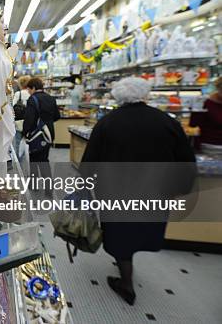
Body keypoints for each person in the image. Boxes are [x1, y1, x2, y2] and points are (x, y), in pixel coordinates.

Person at [80, 77, 195, 305]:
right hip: (156, 190)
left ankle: (126, 283)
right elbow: (185, 159)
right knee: (144, 228)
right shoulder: (166, 121)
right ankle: (128, 261)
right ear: (145, 94)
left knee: (120, 233)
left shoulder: (108, 122)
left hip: (116, 191)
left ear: (118, 96)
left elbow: (90, 162)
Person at [22, 77, 60, 177]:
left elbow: (29, 119)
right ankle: (48, 188)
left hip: (36, 134)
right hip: (49, 134)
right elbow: (57, 116)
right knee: (44, 159)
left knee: (33, 160)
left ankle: (34, 184)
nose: (29, 92)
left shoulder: (32, 99)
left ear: (33, 88)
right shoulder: (51, 98)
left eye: (29, 89)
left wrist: (25, 133)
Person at [190, 76, 222, 150]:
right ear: (218, 88)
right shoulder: (206, 103)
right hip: (210, 146)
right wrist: (196, 108)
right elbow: (193, 124)